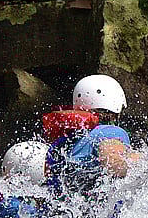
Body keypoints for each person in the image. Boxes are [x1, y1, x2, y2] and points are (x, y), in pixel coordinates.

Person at [44, 74, 141, 202]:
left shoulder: (58, 145)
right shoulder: (110, 132)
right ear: (115, 108)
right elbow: (113, 162)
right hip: (98, 217)